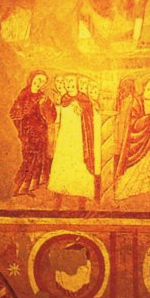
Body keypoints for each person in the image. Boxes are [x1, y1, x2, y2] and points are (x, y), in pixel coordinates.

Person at [48, 74, 95, 206]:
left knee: (79, 165)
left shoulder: (84, 99)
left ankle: (82, 198)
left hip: (79, 138)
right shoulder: (64, 99)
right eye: (67, 82)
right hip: (65, 138)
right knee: (63, 165)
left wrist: (80, 108)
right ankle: (59, 196)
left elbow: (89, 118)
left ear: (77, 84)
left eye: (72, 81)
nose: (69, 84)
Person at [10, 71, 56, 196]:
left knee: (37, 160)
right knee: (27, 158)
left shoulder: (43, 97)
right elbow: (14, 112)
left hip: (40, 132)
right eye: (38, 79)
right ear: (32, 79)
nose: (39, 82)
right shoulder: (23, 94)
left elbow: (51, 117)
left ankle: (27, 188)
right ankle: (17, 186)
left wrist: (46, 105)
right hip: (26, 132)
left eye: (43, 81)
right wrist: (23, 115)